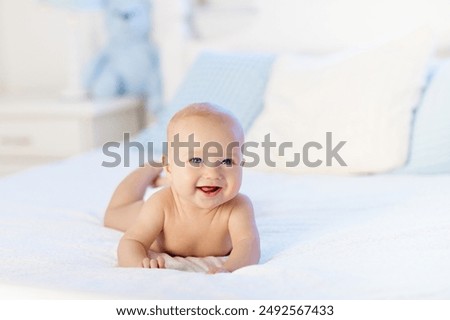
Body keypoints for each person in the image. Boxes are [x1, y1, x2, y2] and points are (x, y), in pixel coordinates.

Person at [104, 102, 260, 273]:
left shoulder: (238, 207)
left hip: (181, 181)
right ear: (169, 167)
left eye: (227, 161)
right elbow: (131, 242)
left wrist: (230, 268)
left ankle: (175, 179)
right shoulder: (161, 204)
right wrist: (139, 263)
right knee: (114, 214)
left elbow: (249, 245)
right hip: (140, 212)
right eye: (196, 160)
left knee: (188, 181)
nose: (213, 174)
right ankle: (152, 167)